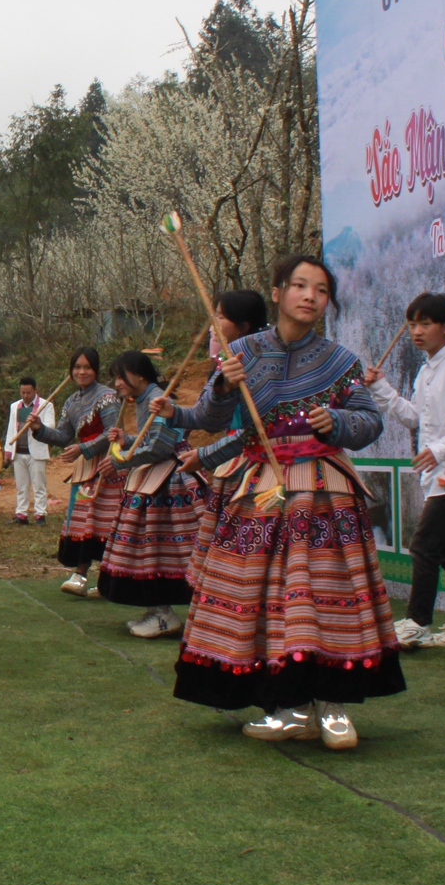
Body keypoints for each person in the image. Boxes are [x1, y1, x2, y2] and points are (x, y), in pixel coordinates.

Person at [165, 255, 396, 750]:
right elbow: (210, 415)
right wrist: (225, 384)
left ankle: (332, 708)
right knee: (263, 597)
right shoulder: (242, 351)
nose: (310, 296)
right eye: (299, 285)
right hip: (261, 488)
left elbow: (369, 421)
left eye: (320, 289)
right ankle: (286, 707)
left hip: (321, 490)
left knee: (321, 590)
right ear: (277, 291)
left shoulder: (340, 361)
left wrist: (338, 424)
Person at [364, 292, 445, 648]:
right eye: (412, 324)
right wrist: (381, 388)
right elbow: (415, 418)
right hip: (440, 472)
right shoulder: (428, 369)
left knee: (424, 545)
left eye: (426, 323)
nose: (417, 331)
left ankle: (418, 621)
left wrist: (437, 449)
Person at [157, 290, 273, 604]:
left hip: (261, 472)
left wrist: (207, 455)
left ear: (244, 325)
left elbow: (257, 432)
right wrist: (176, 413)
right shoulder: (226, 365)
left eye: (220, 317)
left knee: (256, 559)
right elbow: (209, 418)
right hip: (234, 467)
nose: (213, 325)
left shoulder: (262, 366)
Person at [93, 351, 204, 639]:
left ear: (139, 376)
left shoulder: (157, 398)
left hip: (168, 483)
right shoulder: (143, 400)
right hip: (154, 478)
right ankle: (158, 610)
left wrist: (120, 460)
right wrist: (126, 440)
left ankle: (168, 615)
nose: (117, 383)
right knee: (149, 548)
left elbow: (161, 447)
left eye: (121, 376)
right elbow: (149, 440)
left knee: (158, 547)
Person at [29, 347, 122, 596]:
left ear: (96, 370)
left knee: (105, 521)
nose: (82, 372)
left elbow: (111, 433)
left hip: (108, 466)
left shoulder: (108, 397)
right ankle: (81, 574)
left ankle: (104, 578)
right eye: (77, 367)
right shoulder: (71, 401)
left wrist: (82, 448)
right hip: (84, 470)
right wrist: (39, 429)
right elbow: (62, 436)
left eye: (87, 367)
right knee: (83, 521)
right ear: (70, 372)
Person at [4, 377, 54, 526]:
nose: (25, 396)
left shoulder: (45, 405)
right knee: (21, 486)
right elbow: (11, 429)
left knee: (39, 485)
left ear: (35, 391)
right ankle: (21, 514)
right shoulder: (15, 406)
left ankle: (40, 515)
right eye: (23, 392)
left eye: (28, 392)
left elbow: (50, 426)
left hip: (36, 451)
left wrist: (37, 423)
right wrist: (8, 451)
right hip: (19, 451)